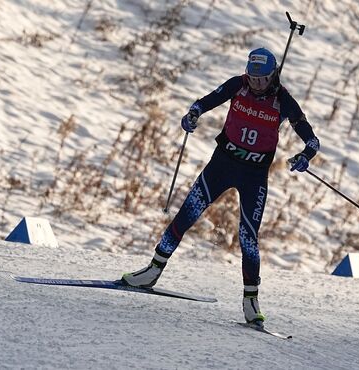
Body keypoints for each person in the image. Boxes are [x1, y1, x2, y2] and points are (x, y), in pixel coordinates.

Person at [122, 47, 320, 327]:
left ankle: (251, 299)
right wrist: (192, 114)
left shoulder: (283, 100)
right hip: (222, 165)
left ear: (273, 75)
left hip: (254, 176)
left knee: (248, 238)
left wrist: (305, 156)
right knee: (187, 215)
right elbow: (204, 102)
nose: (256, 84)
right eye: (253, 77)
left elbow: (312, 139)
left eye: (262, 79)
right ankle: (153, 270)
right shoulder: (238, 84)